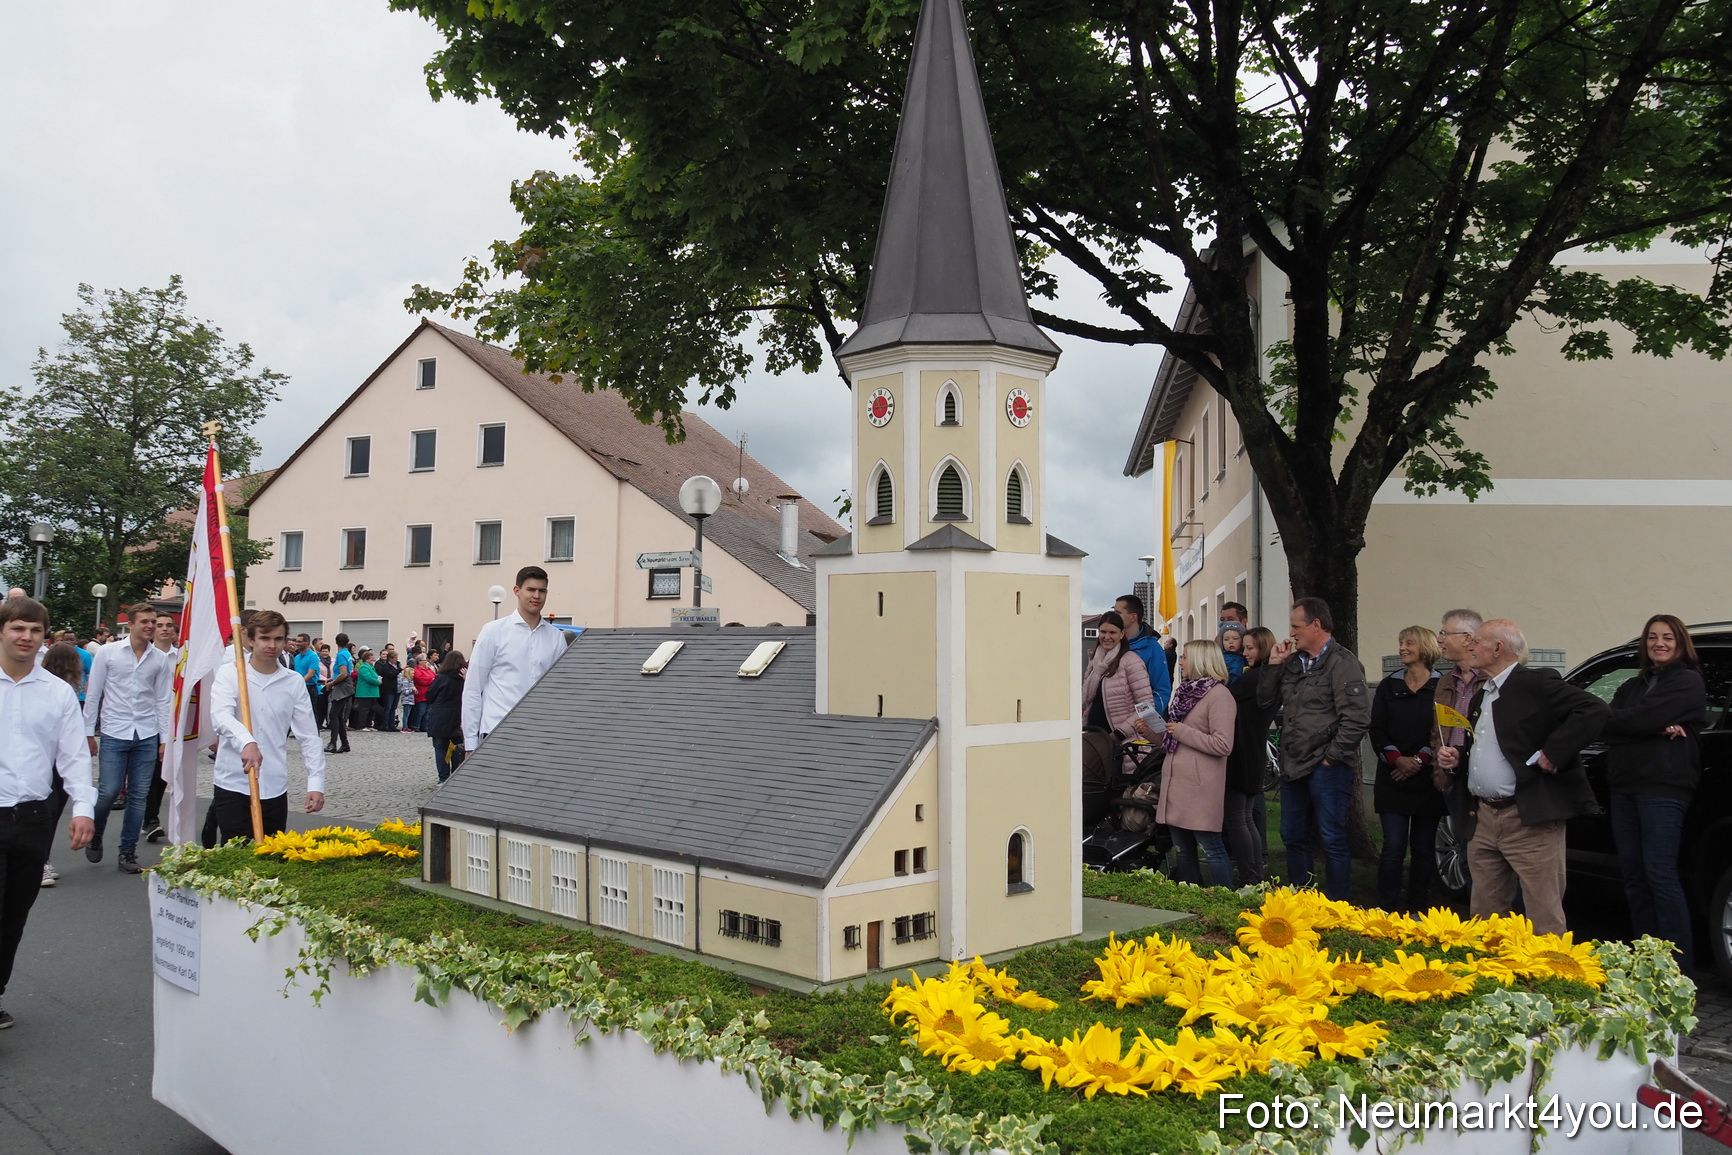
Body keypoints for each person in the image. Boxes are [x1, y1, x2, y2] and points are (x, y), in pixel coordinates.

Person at [1435, 619, 1607, 934]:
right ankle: (1491, 965)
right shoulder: (1483, 693)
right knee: (1485, 917)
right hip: (1483, 816)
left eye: (1477, 641)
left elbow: (1593, 710)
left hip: (1527, 818)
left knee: (1543, 914)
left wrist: (1554, 752)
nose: (1471, 646)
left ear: (1497, 648)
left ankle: (1547, 966)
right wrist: (1459, 758)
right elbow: (1491, 746)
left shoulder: (1535, 683)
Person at [0, 597, 96, 1027]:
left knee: (14, 917)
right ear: (2, 631)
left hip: (35, 818)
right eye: (18, 628)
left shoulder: (57, 692)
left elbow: (74, 755)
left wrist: (84, 808)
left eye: (35, 630)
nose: (26, 637)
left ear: (44, 637)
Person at [1602, 614, 1707, 975]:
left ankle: (1678, 969)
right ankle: (1645, 962)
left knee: (1660, 875)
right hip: (1624, 787)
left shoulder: (1688, 682)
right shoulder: (1632, 685)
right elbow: (1605, 724)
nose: (1659, 643)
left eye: (1667, 637)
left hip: (1663, 789)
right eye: (1652, 637)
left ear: (1680, 643)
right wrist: (1650, 725)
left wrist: (1641, 723)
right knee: (1634, 877)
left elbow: (1637, 719)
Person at [1258, 597, 1371, 901]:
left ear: (1316, 625)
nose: (1292, 633)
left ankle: (1337, 905)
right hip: (1294, 763)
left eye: (1296, 626)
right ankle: (1301, 899)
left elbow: (1357, 718)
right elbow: (1265, 701)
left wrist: (1331, 758)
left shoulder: (1343, 663)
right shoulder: (1293, 663)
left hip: (1327, 767)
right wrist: (1273, 665)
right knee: (1292, 835)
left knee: (1331, 836)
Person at [209, 611, 326, 842]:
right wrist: (247, 741)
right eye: (264, 638)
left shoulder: (293, 681)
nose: (272, 645)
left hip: (274, 785)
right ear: (251, 640)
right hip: (233, 782)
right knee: (237, 854)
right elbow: (220, 716)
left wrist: (316, 782)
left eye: (278, 639)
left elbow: (309, 737)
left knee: (271, 854)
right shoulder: (230, 673)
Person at [82, 602, 172, 874]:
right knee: (108, 791)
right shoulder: (108, 653)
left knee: (139, 795)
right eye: (145, 621)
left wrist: (165, 739)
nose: (150, 626)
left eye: (153, 622)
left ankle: (127, 851)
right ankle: (97, 832)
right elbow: (94, 693)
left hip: (146, 733)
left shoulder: (159, 659)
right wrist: (88, 732)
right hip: (114, 731)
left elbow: (163, 700)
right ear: (130, 625)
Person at [1370, 626, 1446, 913]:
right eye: (1401, 642)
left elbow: (1444, 731)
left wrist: (1418, 761)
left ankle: (1417, 909)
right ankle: (1386, 909)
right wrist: (1397, 760)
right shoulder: (1388, 687)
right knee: (1393, 846)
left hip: (1428, 781)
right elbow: (1377, 728)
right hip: (1392, 779)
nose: (1402, 648)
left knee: (1424, 848)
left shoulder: (1443, 687)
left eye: (1409, 643)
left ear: (1425, 647)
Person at [1150, 640, 1236, 887]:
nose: (1181, 662)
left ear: (1200, 660)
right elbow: (1171, 738)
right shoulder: (1184, 692)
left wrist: (1182, 731)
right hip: (1177, 783)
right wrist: (1150, 730)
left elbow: (1223, 744)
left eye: (1185, 656)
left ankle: (1224, 898)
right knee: (1182, 849)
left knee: (1210, 847)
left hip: (1200, 786)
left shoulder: (1219, 696)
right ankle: (1189, 897)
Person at [463, 567, 565, 753]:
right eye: (531, 589)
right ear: (517, 591)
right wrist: (470, 744)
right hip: (497, 733)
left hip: (540, 736)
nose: (536, 596)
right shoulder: (493, 632)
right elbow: (472, 689)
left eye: (542, 591)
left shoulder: (556, 638)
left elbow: (560, 691)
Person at [1225, 626, 1280, 884]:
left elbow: (1226, 697)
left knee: (1237, 818)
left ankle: (1250, 876)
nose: (1244, 652)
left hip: (1242, 751)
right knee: (1246, 817)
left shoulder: (1253, 679)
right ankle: (1256, 873)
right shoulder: (1266, 677)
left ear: (1263, 648)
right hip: (1255, 750)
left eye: (1250, 648)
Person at [37, 642, 88, 887]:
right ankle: (41, 861)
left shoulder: (64, 690)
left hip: (60, 759)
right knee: (50, 812)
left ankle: (42, 860)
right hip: (50, 760)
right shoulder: (47, 689)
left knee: (51, 812)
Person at [1082, 611, 1155, 760]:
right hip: (1095, 741)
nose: (1106, 637)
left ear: (1122, 634)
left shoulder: (1131, 662)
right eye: (1103, 632)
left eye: (1112, 632)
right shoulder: (1095, 662)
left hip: (1123, 745)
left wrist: (1118, 734)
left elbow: (1146, 706)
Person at [141, 609, 179, 844]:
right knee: (151, 771)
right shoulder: (146, 656)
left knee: (163, 773)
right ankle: (149, 818)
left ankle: (152, 817)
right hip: (147, 721)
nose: (164, 629)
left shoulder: (180, 658)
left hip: (173, 720)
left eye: (169, 625)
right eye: (160, 625)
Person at [1115, 594, 1173, 713]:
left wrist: (1145, 716)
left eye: (1118, 613)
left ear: (1133, 617)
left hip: (1138, 720)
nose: (1113, 617)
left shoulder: (1152, 649)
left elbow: (1161, 691)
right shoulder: (1113, 643)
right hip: (1111, 718)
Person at [425, 651, 468, 781]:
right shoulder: (465, 679)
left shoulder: (441, 678)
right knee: (457, 747)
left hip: (440, 716)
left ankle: (443, 777)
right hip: (458, 716)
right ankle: (455, 775)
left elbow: (430, 695)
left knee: (440, 747)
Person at [324, 633, 355, 753]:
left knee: (333, 714)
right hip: (346, 684)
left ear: (336, 642)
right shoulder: (347, 653)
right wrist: (332, 679)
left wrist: (332, 682)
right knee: (339, 716)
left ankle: (333, 743)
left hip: (342, 686)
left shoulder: (341, 654)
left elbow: (343, 673)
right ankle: (345, 744)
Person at [352, 647, 381, 730]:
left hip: (372, 692)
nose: (373, 660)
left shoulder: (371, 667)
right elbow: (369, 678)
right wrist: (378, 682)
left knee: (371, 709)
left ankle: (368, 724)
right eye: (371, 659)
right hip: (365, 692)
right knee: (364, 710)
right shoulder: (364, 668)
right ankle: (361, 725)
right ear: (367, 659)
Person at [376, 644, 402, 732]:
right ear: (390, 658)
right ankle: (385, 725)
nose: (396, 659)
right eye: (395, 658)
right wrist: (399, 669)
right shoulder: (385, 666)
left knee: (394, 708)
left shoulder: (397, 665)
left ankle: (392, 725)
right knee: (388, 707)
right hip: (389, 690)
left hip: (397, 689)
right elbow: (391, 675)